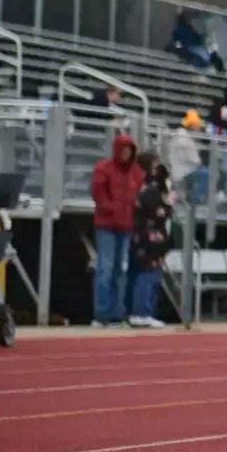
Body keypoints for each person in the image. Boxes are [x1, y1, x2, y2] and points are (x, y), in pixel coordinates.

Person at [89, 132, 143, 327]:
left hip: (125, 226)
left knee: (120, 270)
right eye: (123, 149)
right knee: (106, 268)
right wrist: (113, 209)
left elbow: (138, 195)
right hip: (107, 225)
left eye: (129, 150)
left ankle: (115, 313)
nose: (126, 153)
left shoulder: (135, 172)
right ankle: (101, 314)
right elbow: (98, 195)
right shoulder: (103, 169)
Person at [129, 156, 173, 329]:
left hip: (148, 237)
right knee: (148, 275)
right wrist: (168, 205)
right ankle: (142, 313)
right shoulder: (150, 192)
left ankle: (142, 312)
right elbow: (158, 213)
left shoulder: (148, 190)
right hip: (149, 239)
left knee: (149, 275)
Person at [166, 109, 207, 206]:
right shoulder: (185, 139)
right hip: (183, 173)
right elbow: (196, 161)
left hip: (180, 171)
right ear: (192, 126)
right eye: (197, 126)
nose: (199, 128)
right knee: (205, 173)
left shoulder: (180, 135)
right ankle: (196, 200)